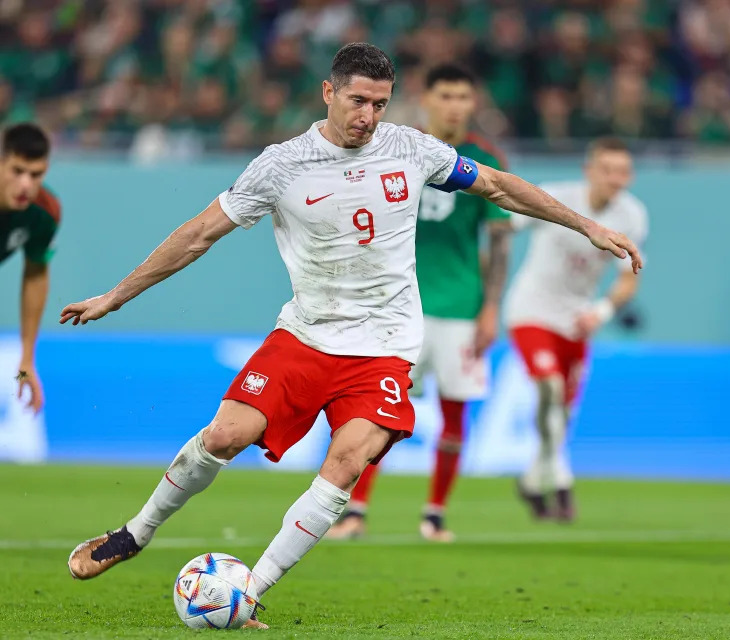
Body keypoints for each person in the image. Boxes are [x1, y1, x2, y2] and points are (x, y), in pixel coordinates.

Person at [62, 43, 640, 629]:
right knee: (225, 435)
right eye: (358, 101)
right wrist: (116, 294)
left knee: (347, 460)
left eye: (380, 104)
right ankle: (135, 533)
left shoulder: (412, 149)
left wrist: (585, 224)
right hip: (305, 335)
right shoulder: (281, 164)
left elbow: (496, 186)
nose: (368, 116)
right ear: (328, 92)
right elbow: (199, 235)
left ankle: (248, 593)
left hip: (385, 345)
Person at [328, 64, 512, 543]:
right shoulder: (399, 148)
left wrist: (492, 307)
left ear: (473, 104)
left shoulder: (485, 158)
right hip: (396, 306)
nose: (455, 105)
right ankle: (355, 511)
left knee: (454, 415)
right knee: (378, 412)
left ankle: (434, 515)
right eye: (446, 95)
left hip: (459, 308)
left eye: (463, 96)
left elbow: (498, 242)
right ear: (427, 100)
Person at [506, 137, 648, 522]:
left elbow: (628, 277)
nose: (615, 179)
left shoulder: (632, 216)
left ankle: (533, 482)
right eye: (608, 170)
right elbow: (505, 225)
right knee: (548, 387)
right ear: (590, 170)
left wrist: (600, 312)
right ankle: (563, 483)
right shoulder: (557, 198)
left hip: (577, 320)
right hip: (531, 310)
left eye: (623, 171)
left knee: (563, 414)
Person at [0, 123, 59, 414]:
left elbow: (35, 276)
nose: (26, 184)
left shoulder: (44, 213)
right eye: (17, 171)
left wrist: (26, 361)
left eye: (35, 174)